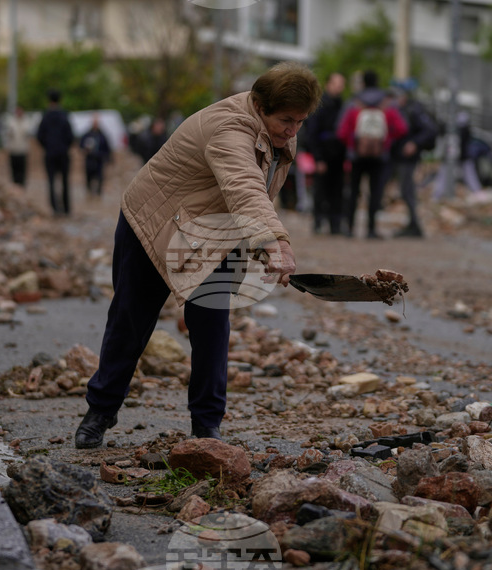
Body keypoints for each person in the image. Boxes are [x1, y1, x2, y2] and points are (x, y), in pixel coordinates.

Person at [74, 62, 322, 448]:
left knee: (211, 328)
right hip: (155, 222)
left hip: (213, 235)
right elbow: (243, 186)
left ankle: (207, 428)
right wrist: (276, 241)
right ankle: (100, 412)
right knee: (131, 320)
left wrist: (260, 245)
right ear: (258, 105)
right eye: (286, 120)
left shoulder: (278, 133)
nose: (292, 131)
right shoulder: (228, 129)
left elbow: (250, 195)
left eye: (300, 122)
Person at [336, 70, 408, 239]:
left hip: (356, 155)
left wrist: (353, 144)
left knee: (353, 191)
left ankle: (350, 228)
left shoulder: (354, 102)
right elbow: (402, 128)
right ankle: (371, 229)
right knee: (375, 192)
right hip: (380, 156)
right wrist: (387, 140)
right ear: (377, 82)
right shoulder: (388, 103)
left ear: (363, 82)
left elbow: (341, 131)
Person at [389, 78, 438, 238]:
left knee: (408, 191)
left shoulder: (414, 109)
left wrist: (414, 144)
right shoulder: (404, 109)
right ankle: (413, 224)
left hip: (409, 159)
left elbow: (430, 130)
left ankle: (415, 226)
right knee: (405, 190)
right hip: (401, 157)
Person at [306, 72, 347, 235]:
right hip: (323, 154)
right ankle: (318, 221)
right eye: (336, 83)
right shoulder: (320, 105)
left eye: (341, 83)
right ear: (328, 84)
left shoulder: (343, 105)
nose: (339, 87)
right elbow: (312, 133)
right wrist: (318, 158)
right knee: (320, 190)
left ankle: (335, 223)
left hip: (338, 156)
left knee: (337, 191)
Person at [36, 89, 76, 215]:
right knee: (65, 181)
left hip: (50, 153)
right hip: (63, 153)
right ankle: (66, 208)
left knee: (51, 181)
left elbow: (39, 136)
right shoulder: (64, 115)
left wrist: (47, 146)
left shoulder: (45, 116)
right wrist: (65, 146)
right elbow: (70, 136)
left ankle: (55, 208)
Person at [80, 113, 112, 196]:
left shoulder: (102, 135)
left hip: (99, 159)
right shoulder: (87, 134)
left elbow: (107, 147)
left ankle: (98, 194)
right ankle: (90, 193)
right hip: (89, 159)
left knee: (100, 177)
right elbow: (81, 145)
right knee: (89, 177)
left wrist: (108, 158)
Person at [4, 107, 31, 186]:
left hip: (22, 150)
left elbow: (28, 133)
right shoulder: (11, 122)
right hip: (13, 150)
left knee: (22, 171)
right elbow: (7, 134)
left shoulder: (26, 122)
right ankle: (15, 187)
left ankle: (22, 186)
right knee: (14, 170)